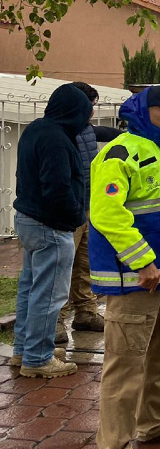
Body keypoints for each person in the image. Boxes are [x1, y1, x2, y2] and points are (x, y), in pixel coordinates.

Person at [90, 85, 160, 449]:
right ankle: (115, 442)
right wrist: (143, 261)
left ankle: (155, 423)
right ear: (143, 111)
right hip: (136, 280)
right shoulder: (120, 153)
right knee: (125, 365)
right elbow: (107, 214)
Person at [10, 83, 92, 378]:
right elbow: (57, 186)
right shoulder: (57, 139)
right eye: (86, 112)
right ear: (75, 111)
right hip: (50, 226)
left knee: (30, 288)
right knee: (49, 294)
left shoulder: (36, 129)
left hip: (28, 219)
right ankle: (38, 358)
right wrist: (74, 215)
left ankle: (24, 350)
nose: (88, 119)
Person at [54, 81, 122, 343]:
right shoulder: (62, 132)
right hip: (67, 213)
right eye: (90, 106)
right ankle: (56, 321)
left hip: (87, 209)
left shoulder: (84, 130)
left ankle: (85, 313)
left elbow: (104, 132)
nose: (92, 112)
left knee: (85, 265)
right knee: (62, 268)